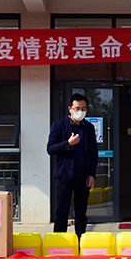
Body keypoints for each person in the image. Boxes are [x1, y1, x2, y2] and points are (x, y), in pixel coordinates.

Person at [47, 93, 99, 239]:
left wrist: (92, 174)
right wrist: (68, 143)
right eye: (77, 108)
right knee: (62, 212)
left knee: (81, 212)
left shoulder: (89, 128)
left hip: (83, 176)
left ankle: (80, 242)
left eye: (83, 108)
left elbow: (94, 153)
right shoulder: (58, 125)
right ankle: (59, 244)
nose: (80, 111)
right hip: (64, 176)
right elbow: (50, 148)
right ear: (70, 109)